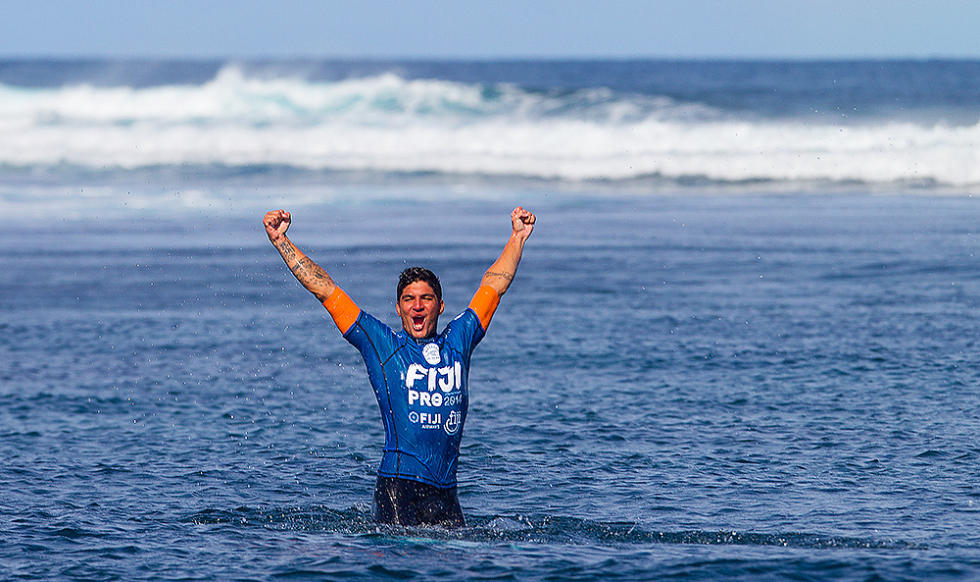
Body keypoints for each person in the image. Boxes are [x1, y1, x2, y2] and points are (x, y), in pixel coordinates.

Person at [263, 206, 536, 527]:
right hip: (398, 490)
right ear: (398, 307)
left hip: (446, 492)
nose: (417, 306)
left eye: (426, 298)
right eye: (409, 299)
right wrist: (282, 241)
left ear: (440, 305)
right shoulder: (382, 344)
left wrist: (517, 237)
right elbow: (325, 289)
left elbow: (494, 286)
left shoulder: (459, 340)